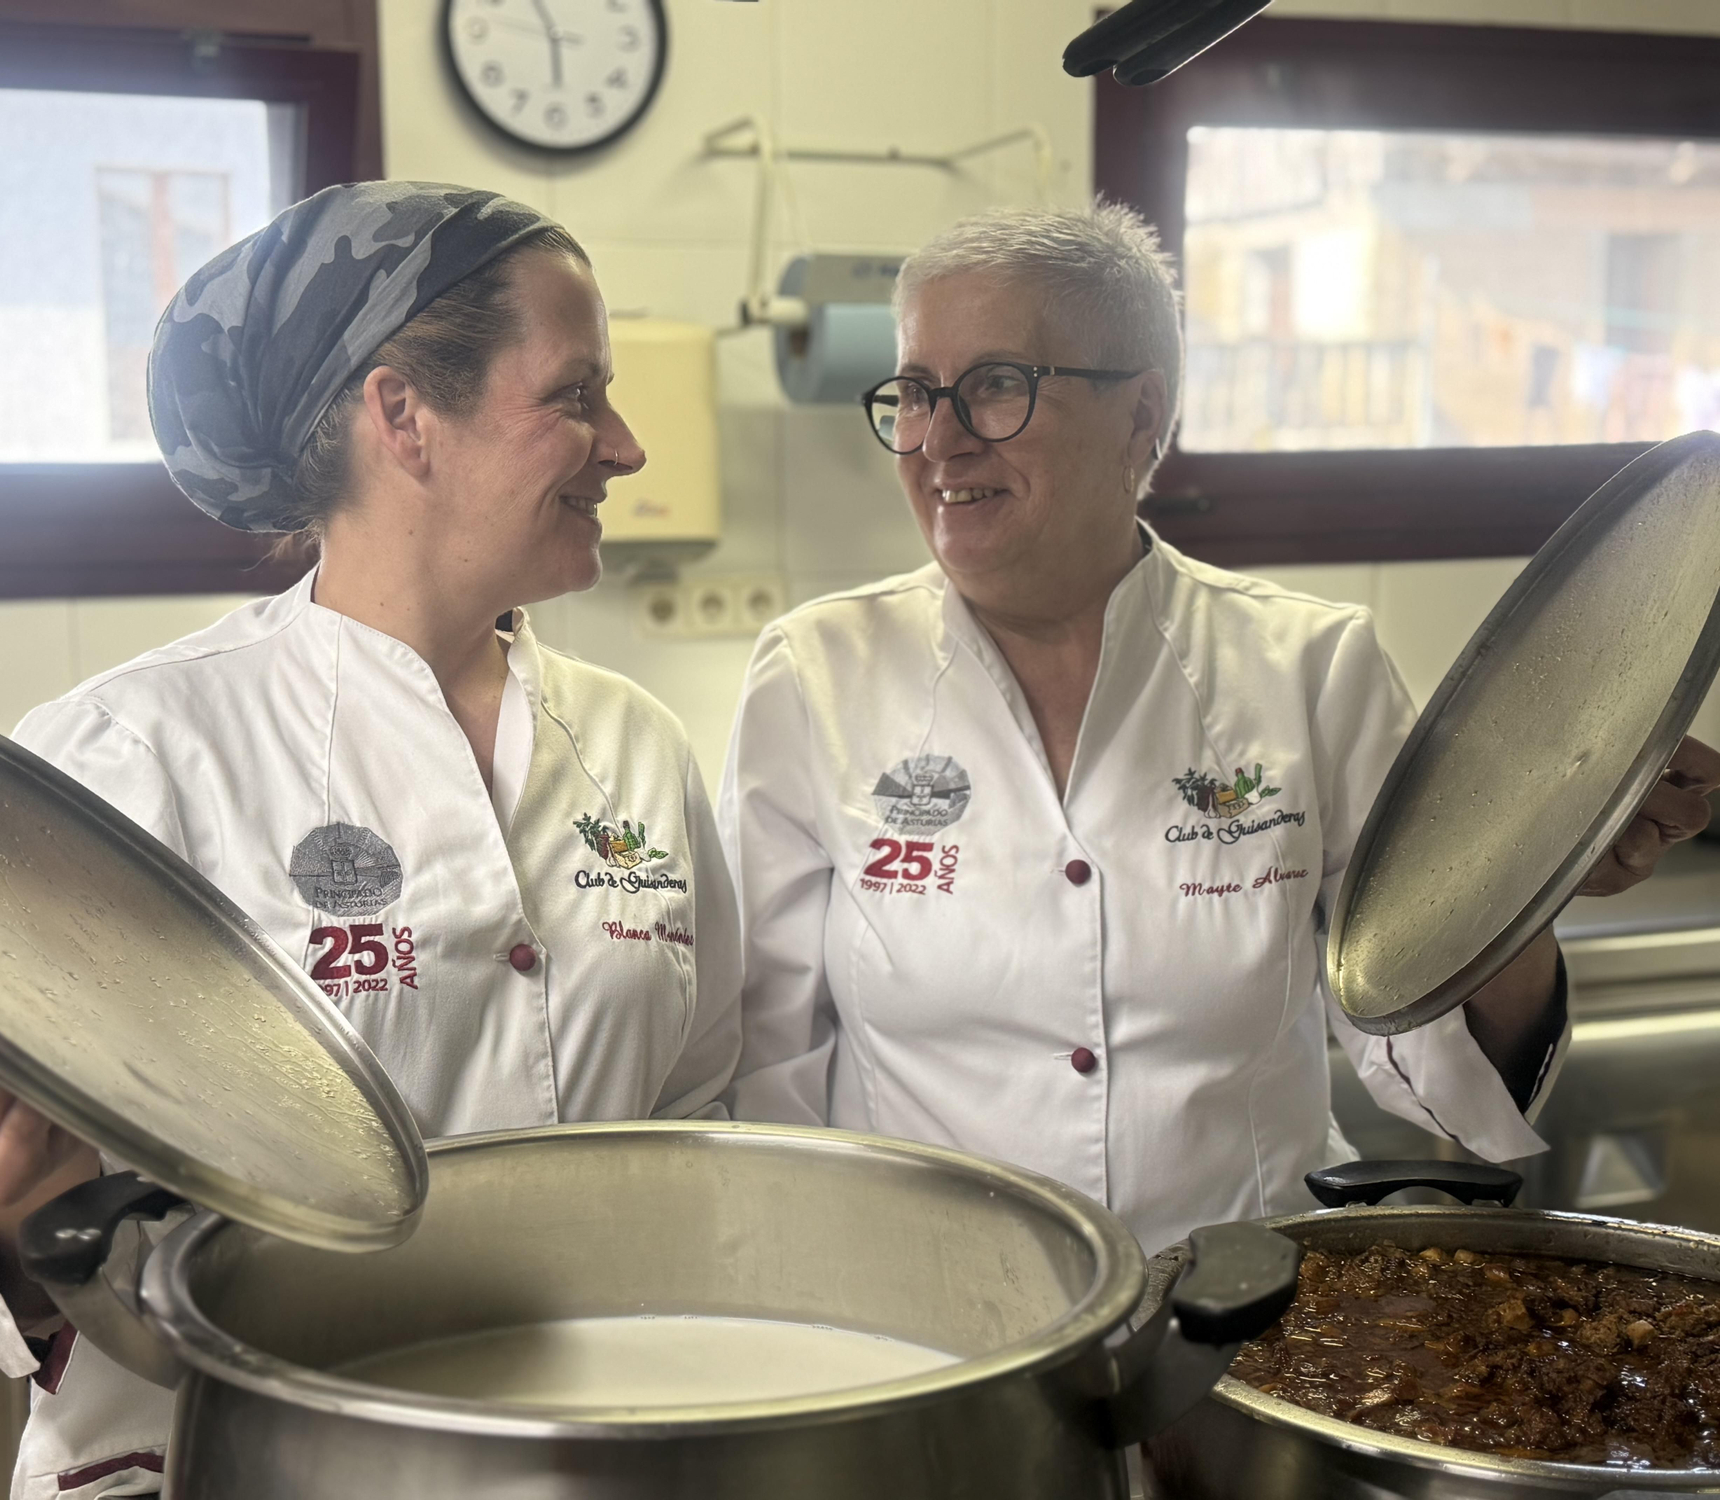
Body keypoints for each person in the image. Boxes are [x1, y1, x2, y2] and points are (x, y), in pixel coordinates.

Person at [0, 181, 742, 1499]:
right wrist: (9, 1195)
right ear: (403, 415)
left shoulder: (635, 746)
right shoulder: (136, 752)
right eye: (575, 395)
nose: (625, 446)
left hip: (584, 1460)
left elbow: (701, 1117)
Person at [719, 202, 1718, 1255]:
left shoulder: (1308, 670)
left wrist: (1527, 876)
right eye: (917, 392)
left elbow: (1437, 1074)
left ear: (1141, 415)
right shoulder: (816, 675)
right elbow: (767, 1070)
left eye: (997, 385)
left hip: (1236, 1307)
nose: (938, 439)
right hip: (930, 1314)